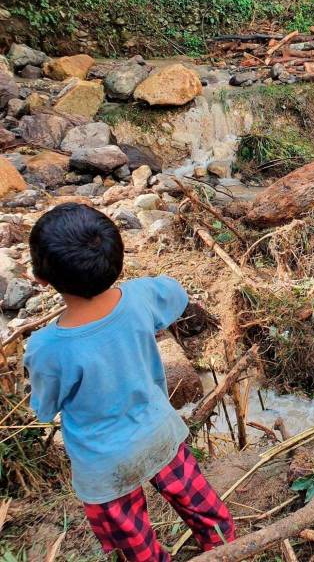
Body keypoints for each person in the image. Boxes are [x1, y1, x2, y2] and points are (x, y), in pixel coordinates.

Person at [24, 203, 235, 561]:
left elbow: (44, 408)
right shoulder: (139, 297)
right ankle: (227, 548)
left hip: (104, 464)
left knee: (133, 541)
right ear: (117, 258)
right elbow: (174, 293)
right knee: (203, 508)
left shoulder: (47, 347)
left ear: (42, 278)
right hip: (158, 432)